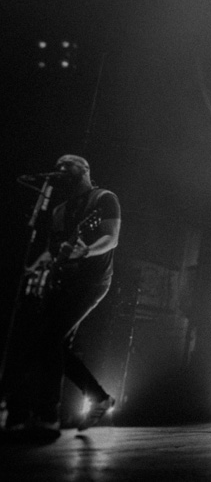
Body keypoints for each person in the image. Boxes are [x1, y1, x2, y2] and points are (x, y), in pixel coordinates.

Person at [2, 155, 120, 436]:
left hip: (92, 281)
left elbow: (111, 238)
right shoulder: (60, 210)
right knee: (52, 345)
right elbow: (54, 250)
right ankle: (99, 398)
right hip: (63, 282)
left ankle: (47, 415)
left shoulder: (104, 198)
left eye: (68, 165)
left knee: (49, 338)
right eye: (58, 166)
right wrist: (32, 267)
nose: (61, 169)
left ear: (85, 169)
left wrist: (87, 251)